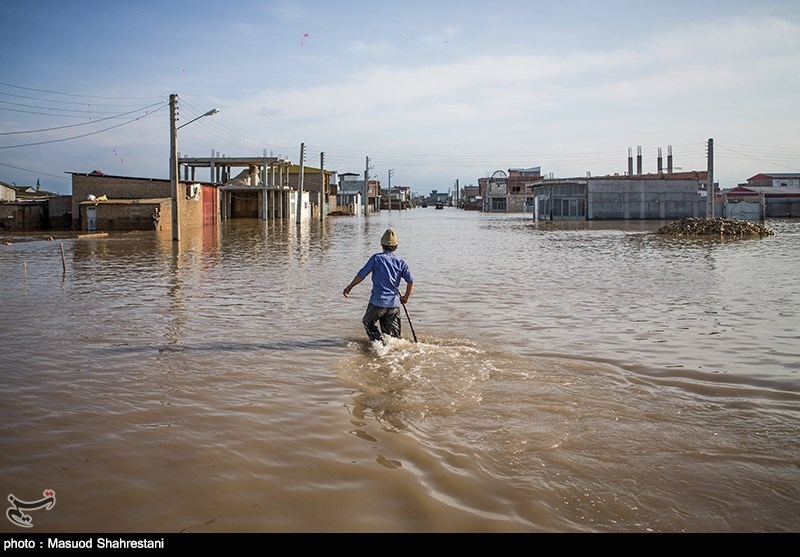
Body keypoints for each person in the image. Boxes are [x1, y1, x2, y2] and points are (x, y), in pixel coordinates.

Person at [343, 228, 414, 343]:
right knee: (393, 337)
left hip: (377, 302)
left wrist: (349, 287)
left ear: (382, 245)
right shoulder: (401, 262)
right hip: (394, 305)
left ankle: (378, 344)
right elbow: (410, 281)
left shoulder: (376, 258)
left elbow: (362, 275)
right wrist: (406, 297)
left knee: (368, 322)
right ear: (396, 246)